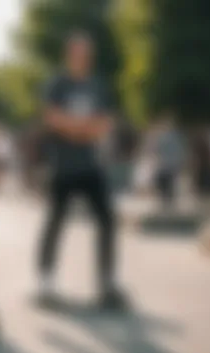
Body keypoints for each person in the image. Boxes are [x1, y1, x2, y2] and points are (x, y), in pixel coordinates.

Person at [37, 32, 127, 309]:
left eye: (86, 53)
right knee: (56, 221)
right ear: (69, 54)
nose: (82, 57)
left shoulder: (98, 86)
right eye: (77, 52)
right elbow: (51, 118)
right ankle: (46, 281)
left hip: (91, 164)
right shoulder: (58, 84)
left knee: (107, 220)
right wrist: (83, 128)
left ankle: (106, 282)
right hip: (63, 165)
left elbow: (106, 122)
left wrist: (76, 127)